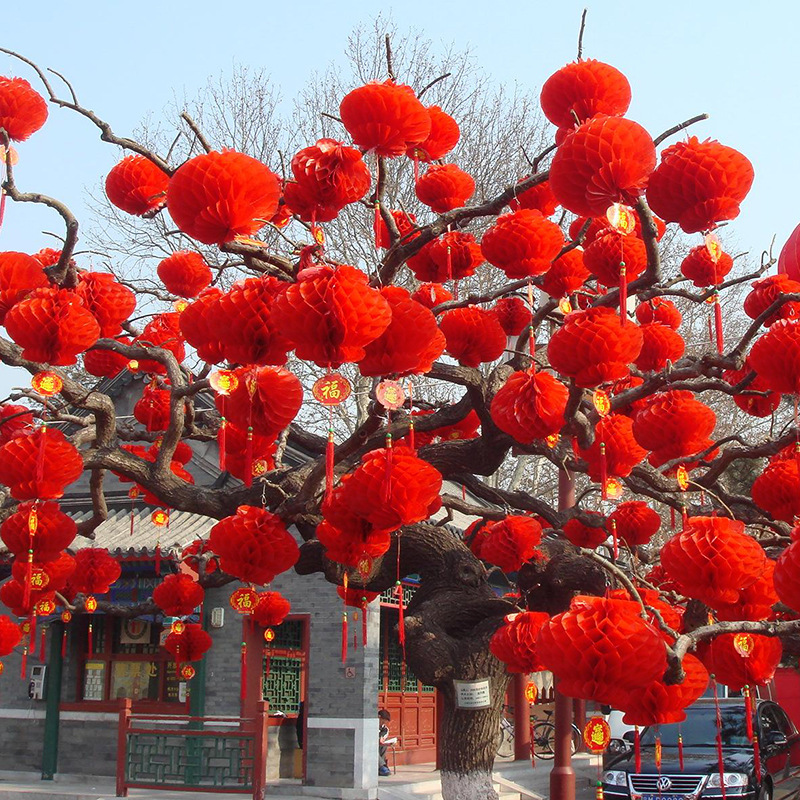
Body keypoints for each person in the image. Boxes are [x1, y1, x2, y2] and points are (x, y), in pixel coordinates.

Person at [378, 709, 393, 776]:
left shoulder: (385, 729)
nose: (383, 723)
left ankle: (381, 767)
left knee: (384, 746)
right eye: (382, 721)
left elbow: (384, 736)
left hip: (379, 746)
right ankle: (382, 766)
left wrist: (381, 738)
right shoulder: (371, 726)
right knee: (372, 749)